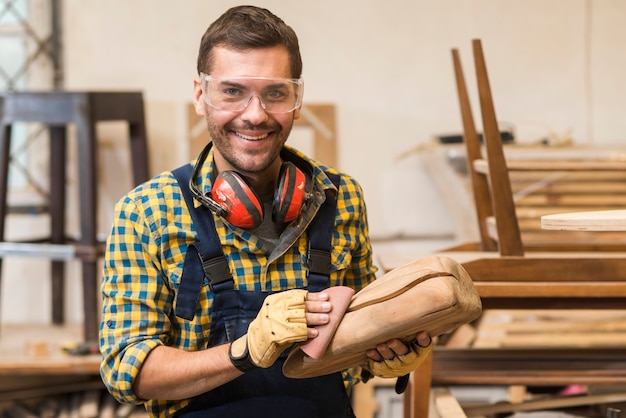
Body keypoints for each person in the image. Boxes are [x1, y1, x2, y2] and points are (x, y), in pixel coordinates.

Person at [99, 5, 431, 417]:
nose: (255, 115)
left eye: (275, 93)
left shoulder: (340, 198)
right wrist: (245, 351)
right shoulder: (147, 212)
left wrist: (384, 354)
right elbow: (127, 371)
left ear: (297, 98)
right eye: (232, 91)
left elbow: (358, 342)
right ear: (201, 96)